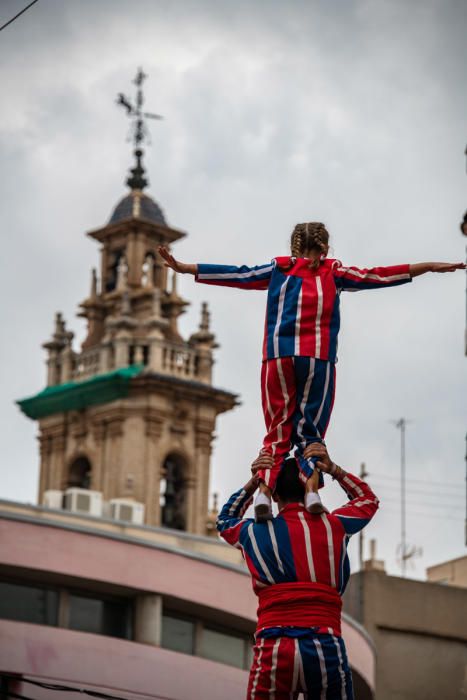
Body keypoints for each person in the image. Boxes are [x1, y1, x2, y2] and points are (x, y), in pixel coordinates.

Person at [158, 227, 464, 520]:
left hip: (277, 358)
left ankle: (264, 494)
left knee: (277, 434)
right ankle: (311, 491)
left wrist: (186, 268)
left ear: (292, 248)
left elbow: (239, 273)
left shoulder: (278, 269)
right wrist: (428, 267)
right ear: (326, 248)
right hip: (318, 359)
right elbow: (378, 275)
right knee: (310, 436)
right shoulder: (334, 272)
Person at [216, 444, 379, 700]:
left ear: (275, 495)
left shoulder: (252, 532)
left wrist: (256, 482)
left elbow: (225, 520)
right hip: (325, 644)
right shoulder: (333, 526)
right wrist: (334, 469)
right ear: (309, 487)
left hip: (273, 647)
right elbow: (368, 501)